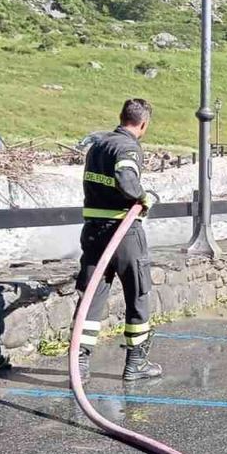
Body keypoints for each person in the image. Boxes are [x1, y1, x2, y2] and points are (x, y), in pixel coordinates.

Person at [76, 99, 161, 383]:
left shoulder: (98, 145)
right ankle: (135, 362)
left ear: (120, 116)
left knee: (92, 296)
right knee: (137, 293)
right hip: (123, 233)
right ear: (144, 124)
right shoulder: (127, 147)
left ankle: (80, 362)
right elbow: (126, 180)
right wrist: (143, 196)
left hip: (93, 232)